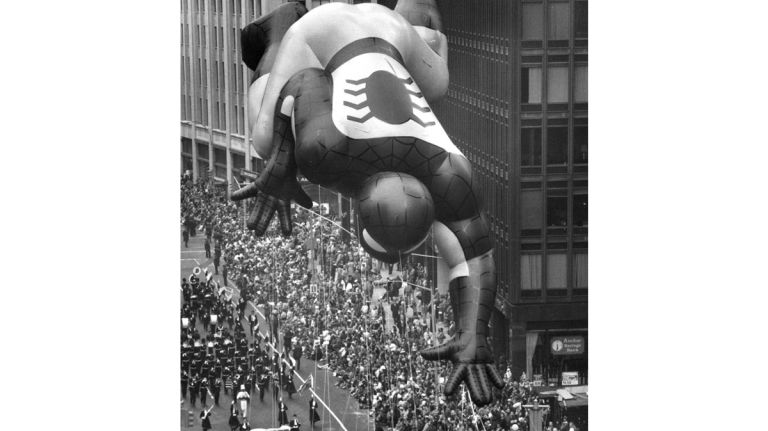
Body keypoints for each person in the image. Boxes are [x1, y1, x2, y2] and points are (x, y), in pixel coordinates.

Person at [233, 0, 503, 406]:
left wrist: (473, 336)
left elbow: (474, 257)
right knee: (264, 138)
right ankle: (281, 24)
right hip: (323, 31)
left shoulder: (451, 170)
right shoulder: (326, 150)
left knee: (439, 83)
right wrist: (279, 171)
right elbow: (302, 82)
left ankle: (420, 19)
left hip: (393, 30)